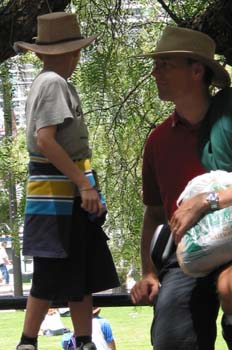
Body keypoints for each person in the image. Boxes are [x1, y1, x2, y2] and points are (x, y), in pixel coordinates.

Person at [13, 11, 119, 350]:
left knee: (80, 270)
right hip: (57, 194)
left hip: (66, 192)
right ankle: (28, 341)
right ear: (72, 52)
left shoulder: (52, 83)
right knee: (50, 267)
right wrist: (83, 184)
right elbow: (46, 140)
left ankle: (84, 339)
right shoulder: (53, 83)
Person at [131, 25, 232, 350]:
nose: (154, 72)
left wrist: (209, 200)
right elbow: (154, 214)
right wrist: (148, 271)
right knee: (172, 338)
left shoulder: (228, 118)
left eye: (165, 65)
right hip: (186, 255)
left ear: (196, 70)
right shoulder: (158, 141)